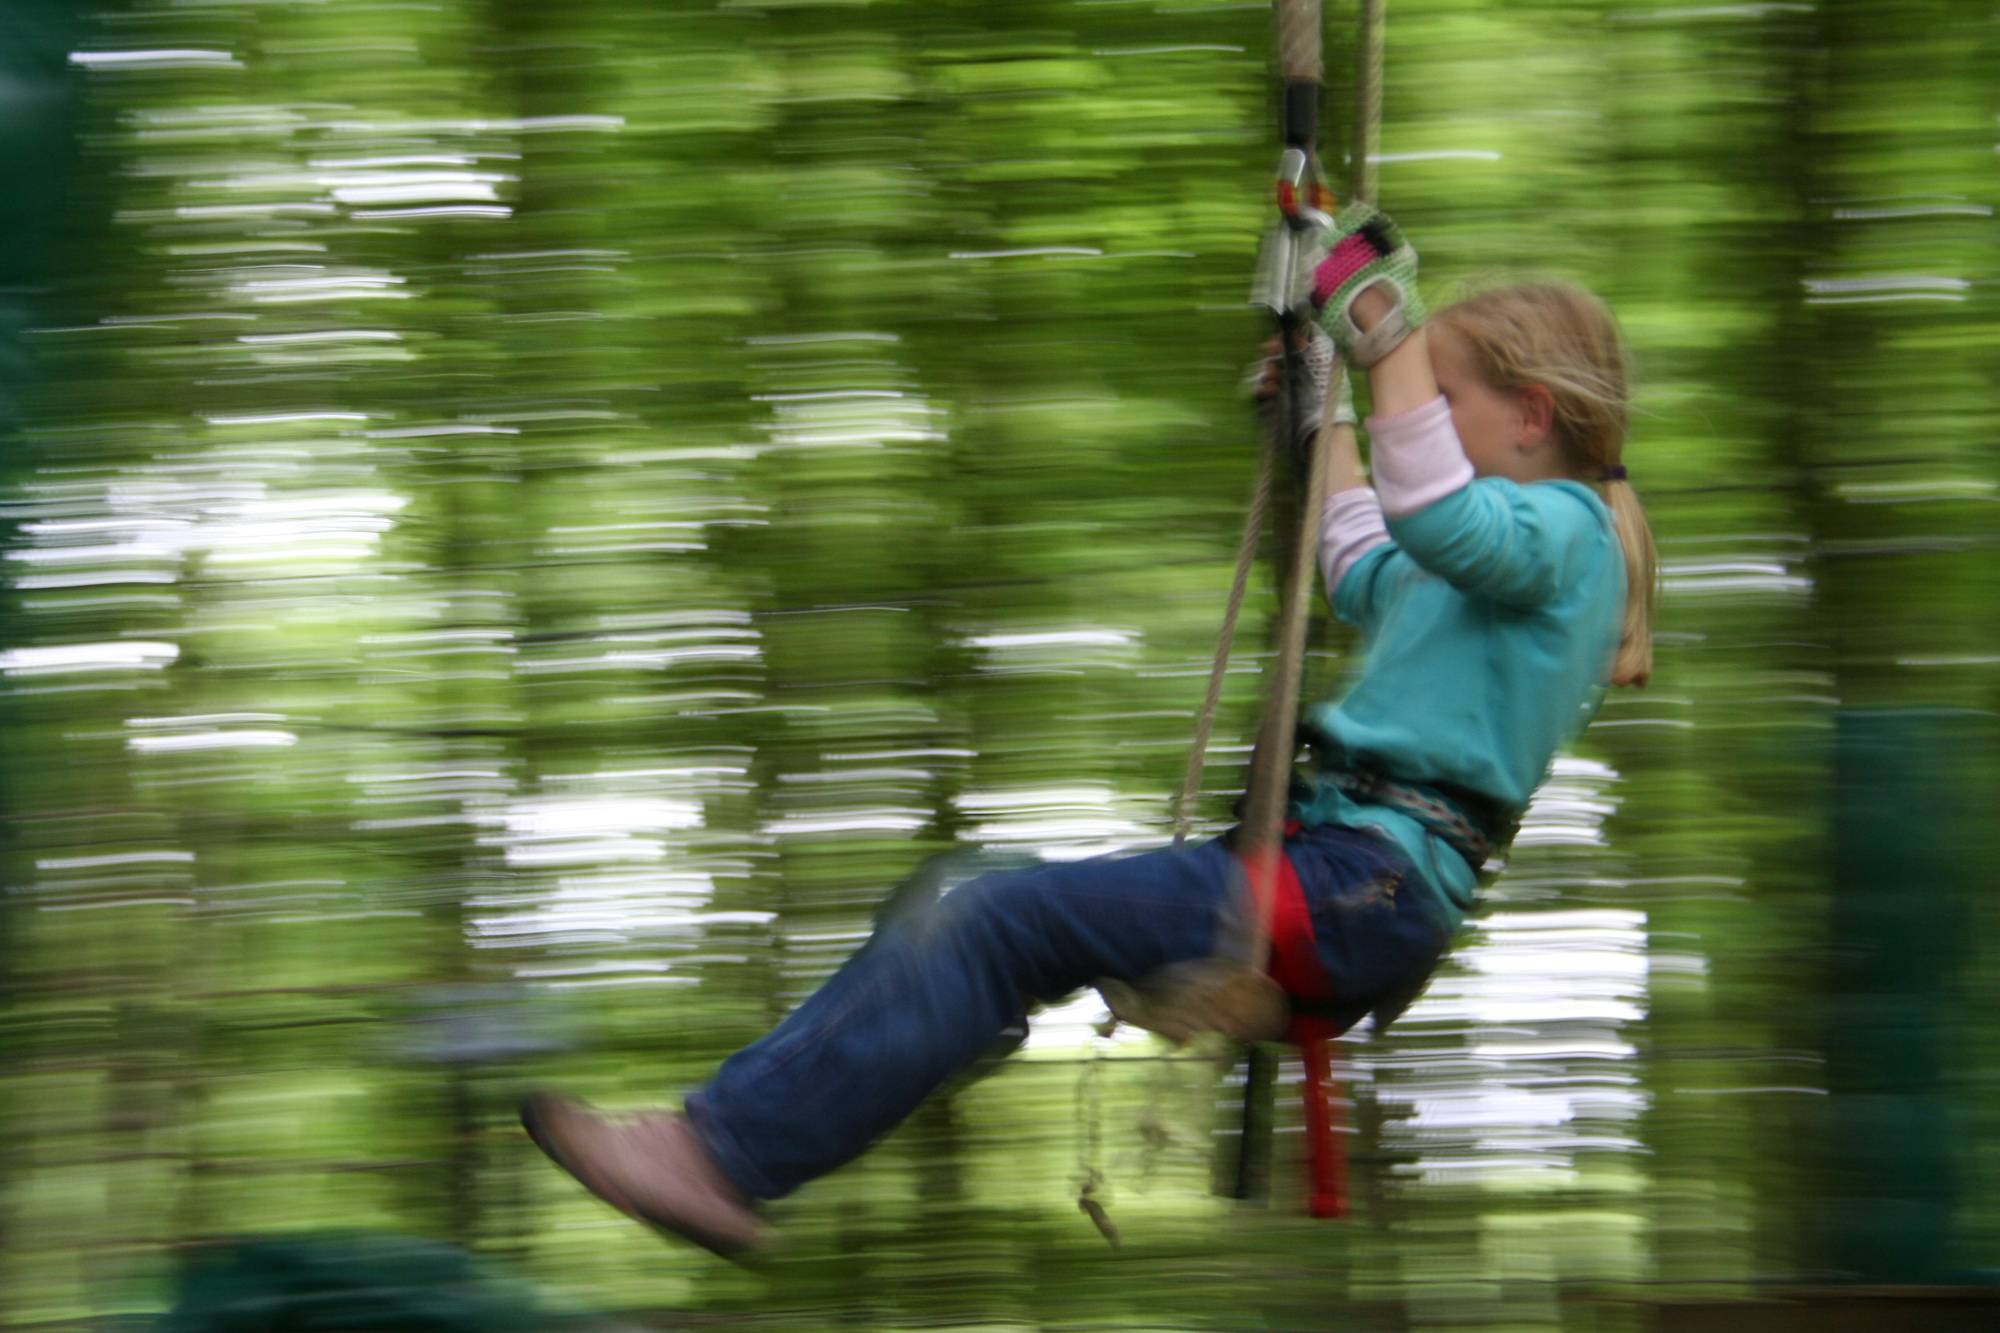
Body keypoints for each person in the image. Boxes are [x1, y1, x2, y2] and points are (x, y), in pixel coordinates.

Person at [519, 202, 1658, 1259]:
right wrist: (1323, 418)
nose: (1429, 421)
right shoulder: (1502, 557)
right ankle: (836, 1086)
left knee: (984, 922)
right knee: (961, 897)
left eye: (1444, 399)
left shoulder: (1566, 533)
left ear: (1530, 415)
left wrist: (1378, 325)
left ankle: (720, 1152)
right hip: (1327, 876)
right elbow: (1363, 562)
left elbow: (1431, 508)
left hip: (1358, 888)